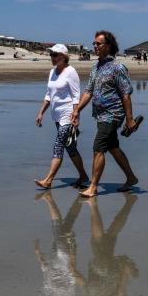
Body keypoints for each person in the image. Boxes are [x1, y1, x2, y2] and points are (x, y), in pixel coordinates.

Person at [71, 30, 140, 197]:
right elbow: (88, 91)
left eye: (98, 43)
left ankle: (93, 187)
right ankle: (131, 178)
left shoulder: (117, 68)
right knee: (113, 147)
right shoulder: (95, 67)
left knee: (98, 147)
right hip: (100, 115)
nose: (95, 46)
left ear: (108, 46)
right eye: (94, 43)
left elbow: (126, 94)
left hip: (113, 114)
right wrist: (77, 110)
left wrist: (129, 119)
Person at [83, 193, 139, 296]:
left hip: (101, 272)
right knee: (98, 239)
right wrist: (123, 273)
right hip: (104, 272)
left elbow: (91, 294)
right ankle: (93, 206)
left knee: (110, 236)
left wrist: (79, 278)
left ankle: (128, 205)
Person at [34, 44, 89, 190]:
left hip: (67, 116)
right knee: (70, 148)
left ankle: (48, 180)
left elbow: (76, 96)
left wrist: (76, 115)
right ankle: (83, 176)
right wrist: (41, 112)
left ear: (64, 56)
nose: (52, 57)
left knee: (59, 145)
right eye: (51, 54)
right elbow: (48, 95)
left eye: (55, 54)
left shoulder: (71, 72)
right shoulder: (52, 72)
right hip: (56, 116)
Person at [34, 192, 85, 296]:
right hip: (64, 254)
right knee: (57, 226)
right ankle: (49, 199)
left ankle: (80, 200)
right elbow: (72, 275)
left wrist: (40, 257)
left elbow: (47, 274)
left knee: (66, 223)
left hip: (56, 255)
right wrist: (73, 253)